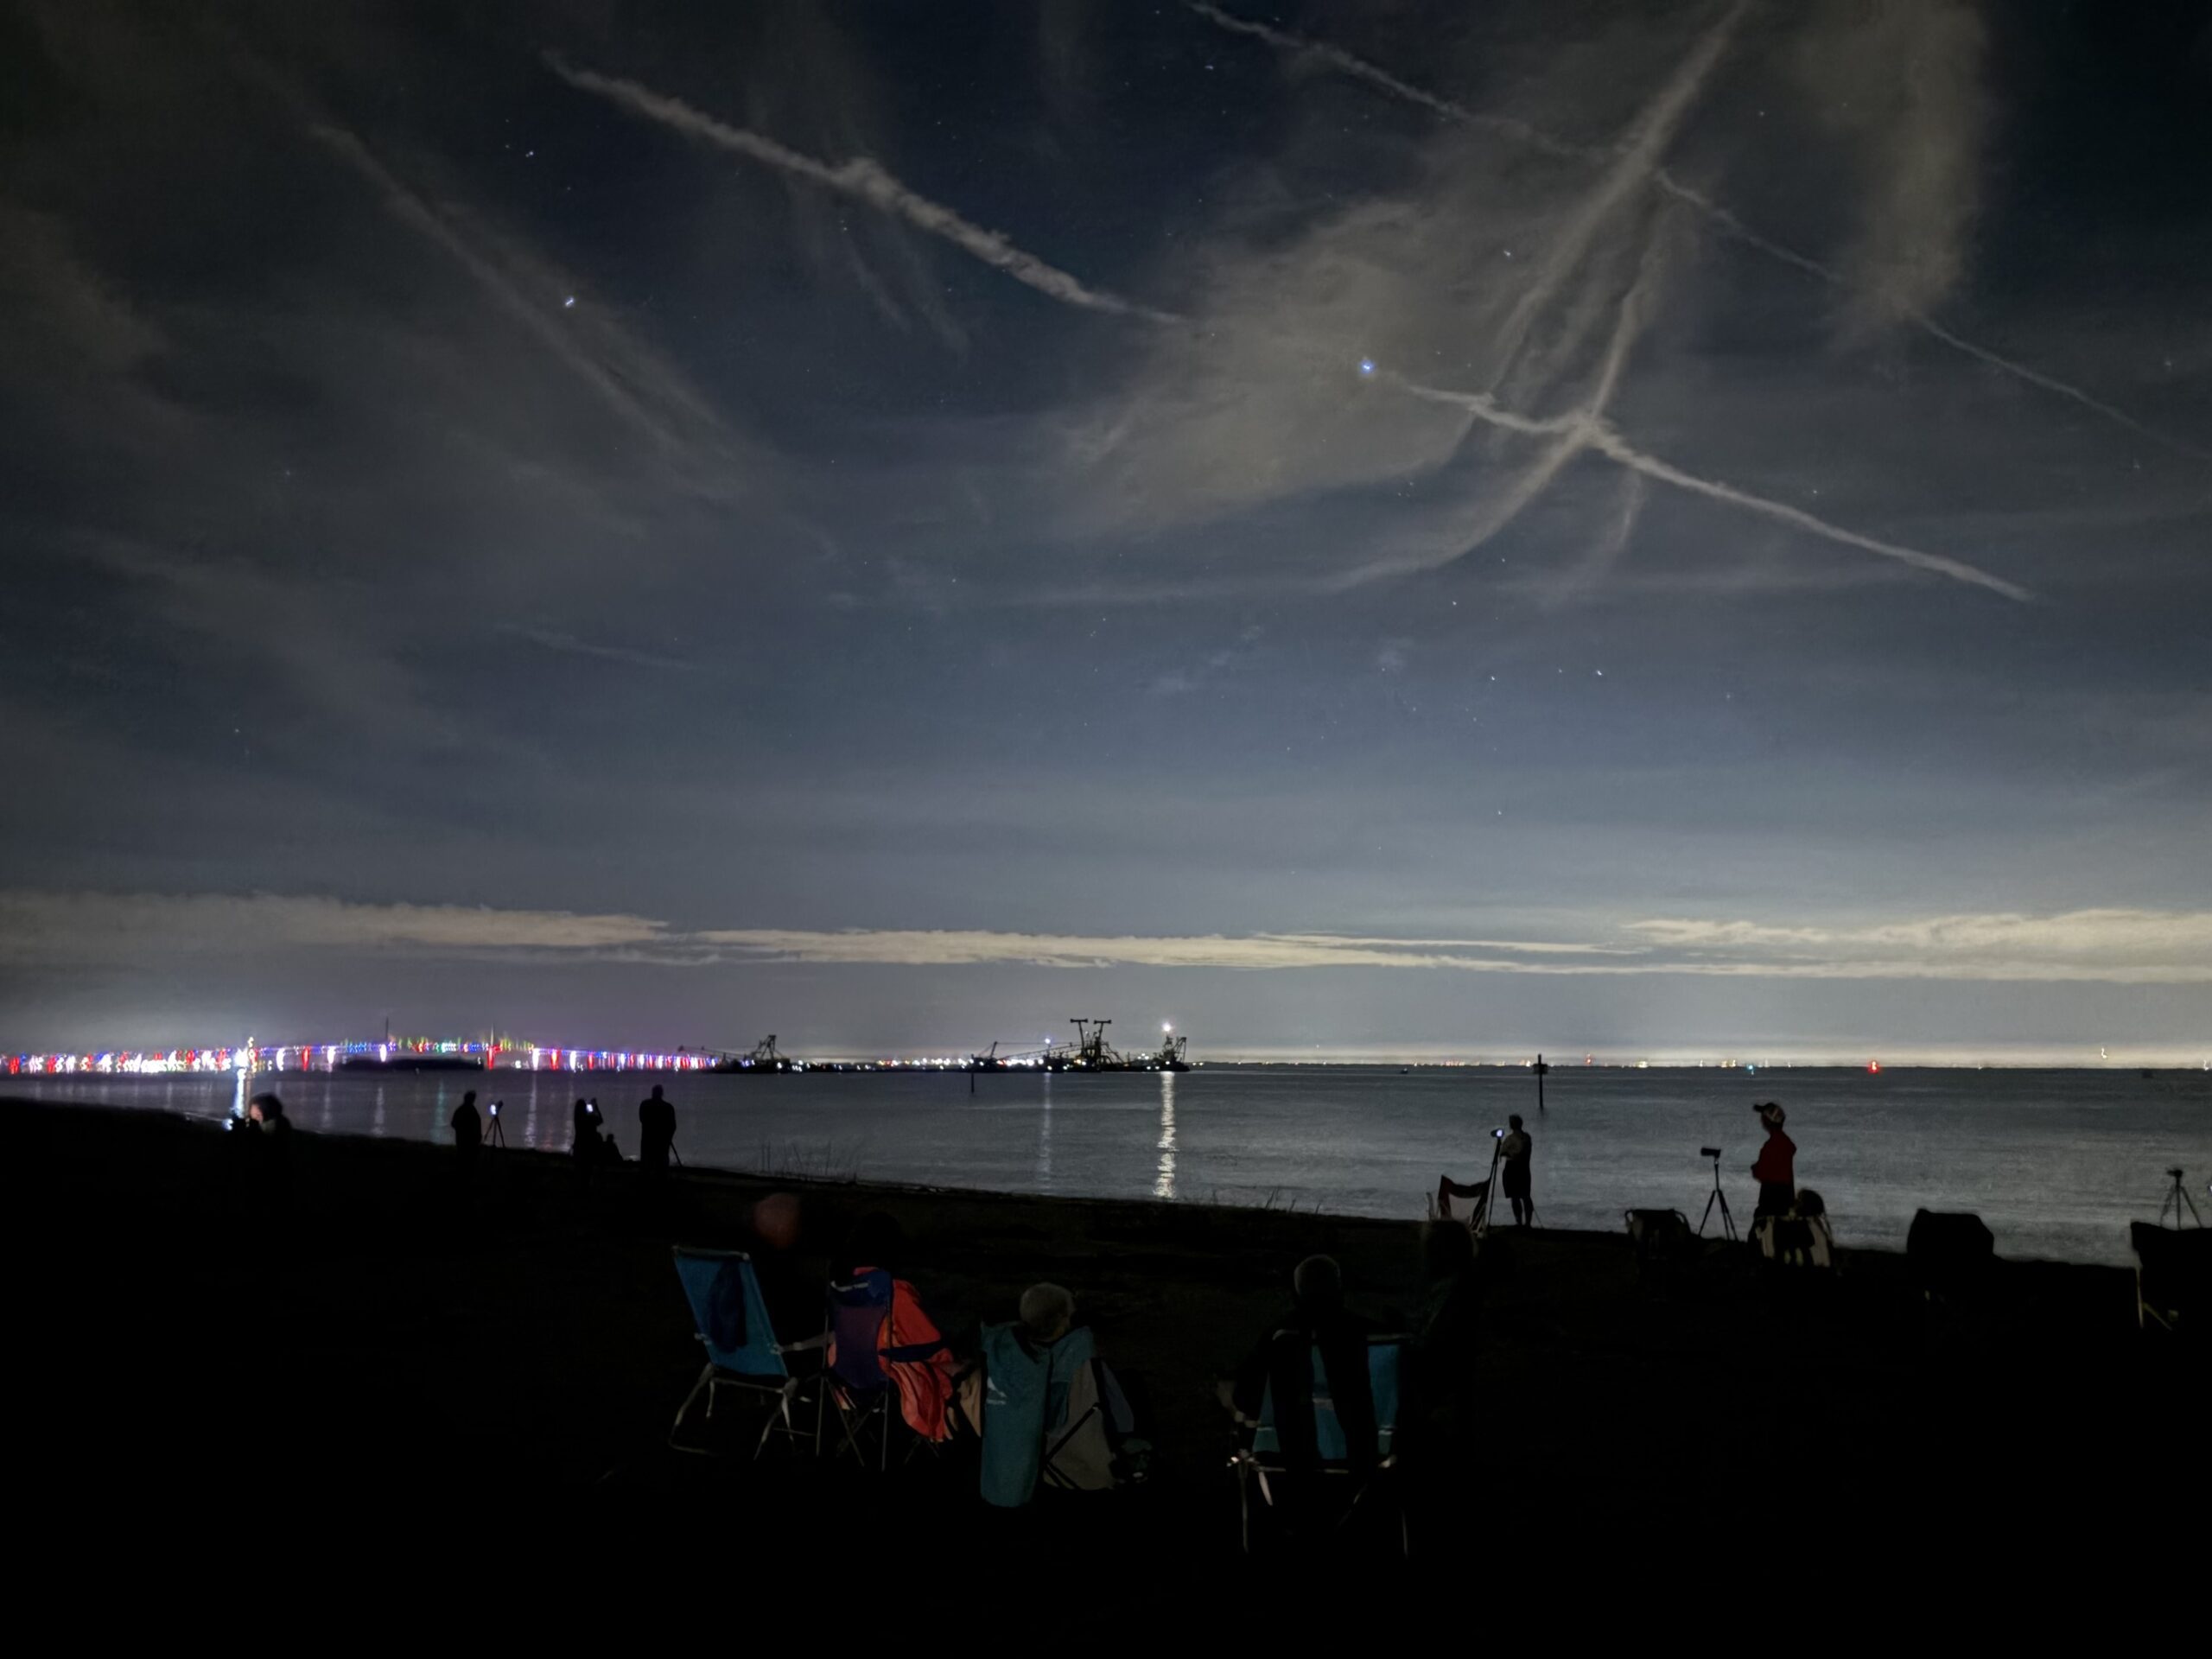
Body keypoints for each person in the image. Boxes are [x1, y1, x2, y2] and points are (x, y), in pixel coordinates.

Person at [1227, 1255, 1381, 1491]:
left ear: (1296, 1294)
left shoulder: (1280, 1339)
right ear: (1340, 1290)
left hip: (1292, 1460)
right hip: (1365, 1456)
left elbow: (1245, 1398)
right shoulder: (1373, 1338)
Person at [1751, 1101, 1796, 1220]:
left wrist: (1755, 1168)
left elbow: (1762, 1173)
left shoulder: (1770, 1147)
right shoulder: (1786, 1143)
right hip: (1787, 1197)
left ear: (1767, 1121)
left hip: (1771, 1199)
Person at [1499, 1114, 1535, 1226]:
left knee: (1515, 1197)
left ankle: (1519, 1221)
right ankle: (1527, 1222)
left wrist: (1509, 1152)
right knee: (1525, 1196)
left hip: (1512, 1169)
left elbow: (1503, 1152)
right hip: (1524, 1169)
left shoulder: (1511, 1139)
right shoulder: (1527, 1137)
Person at [638, 1084, 675, 1179]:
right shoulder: (668, 1107)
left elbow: (642, 1119)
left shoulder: (645, 1105)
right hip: (662, 1142)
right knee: (661, 1166)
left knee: (646, 1165)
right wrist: (668, 1138)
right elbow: (672, 1126)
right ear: (662, 1094)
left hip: (647, 1140)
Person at [450, 1090, 481, 1168]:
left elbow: (453, 1124)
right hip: (469, 1140)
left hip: (462, 1139)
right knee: (468, 1159)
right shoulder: (472, 1111)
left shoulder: (460, 1110)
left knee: (462, 1157)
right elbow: (477, 1125)